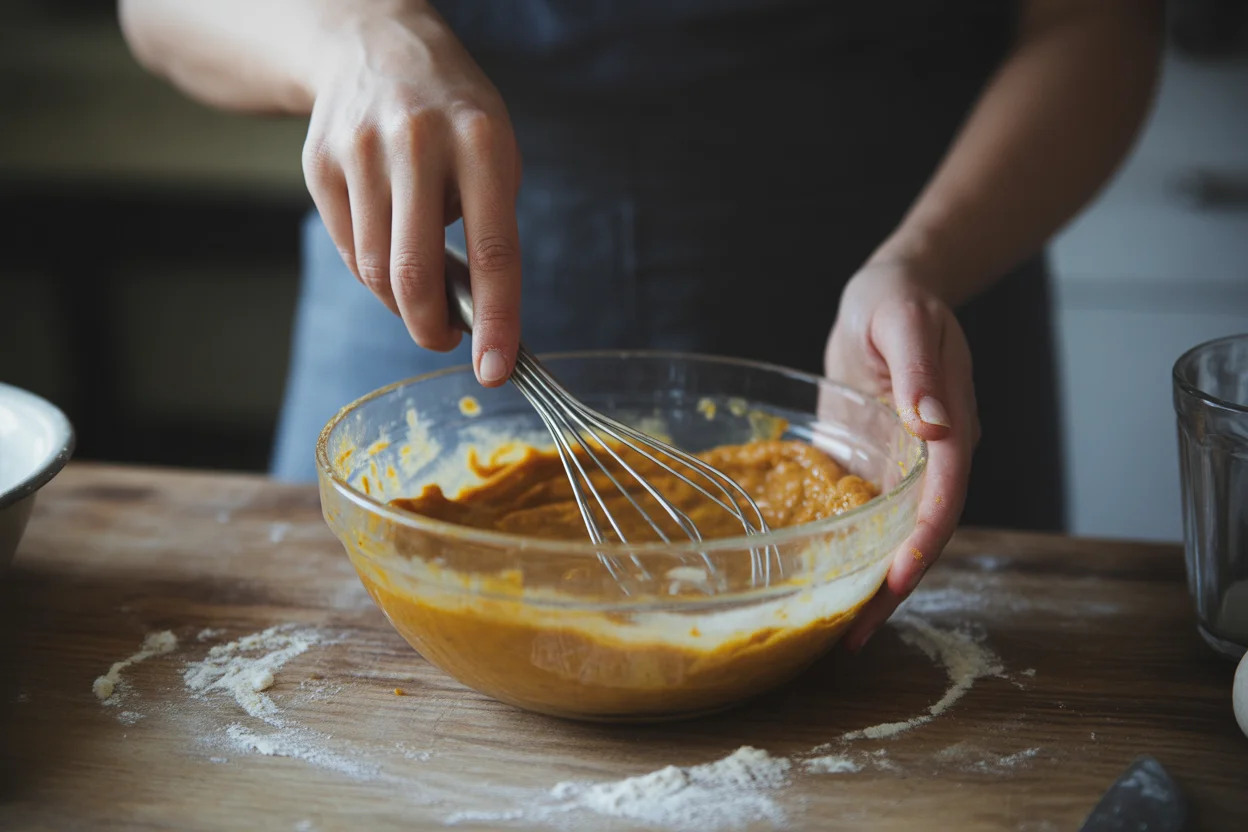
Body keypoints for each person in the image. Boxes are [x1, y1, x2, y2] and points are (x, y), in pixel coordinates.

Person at [118, 0, 1163, 648]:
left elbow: (1097, 20)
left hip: (891, 328)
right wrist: (350, 34)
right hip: (426, 301)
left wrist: (924, 260)